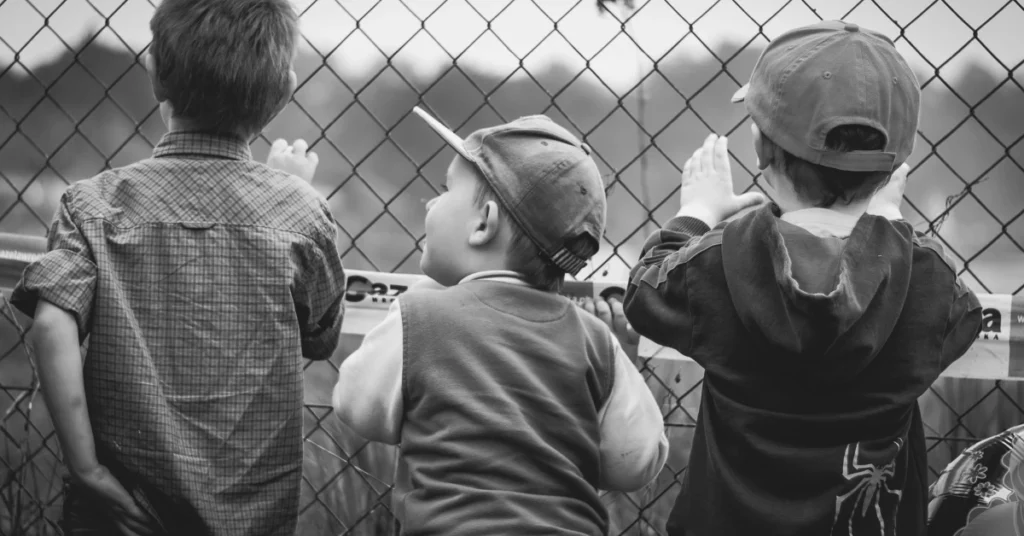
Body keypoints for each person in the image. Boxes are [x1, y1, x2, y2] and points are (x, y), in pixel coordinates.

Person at [623, 20, 984, 536]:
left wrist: (697, 211)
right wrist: (890, 225)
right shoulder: (922, 280)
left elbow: (644, 293)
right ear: (895, 168)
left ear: (760, 147)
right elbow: (963, 318)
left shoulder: (723, 260)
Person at [11, 1, 345, 534]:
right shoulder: (301, 214)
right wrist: (290, 191)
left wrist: (88, 470)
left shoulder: (92, 203)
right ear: (283, 91)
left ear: (153, 72)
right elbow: (321, 337)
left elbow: (52, 324)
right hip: (248, 518)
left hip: (121, 512)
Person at [331, 108, 668, 535]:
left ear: (484, 224)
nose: (431, 203)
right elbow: (635, 462)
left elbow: (355, 406)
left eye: (445, 189)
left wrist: (424, 294)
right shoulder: (595, 341)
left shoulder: (421, 317)